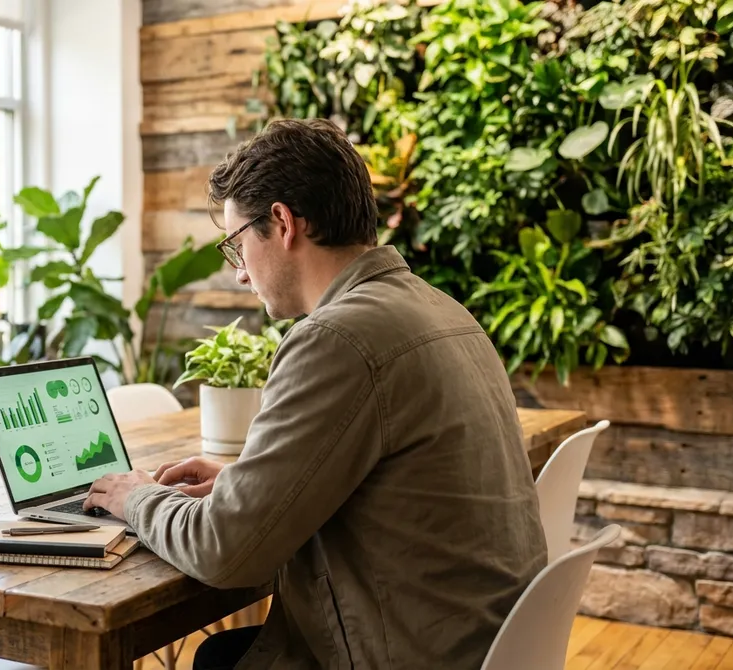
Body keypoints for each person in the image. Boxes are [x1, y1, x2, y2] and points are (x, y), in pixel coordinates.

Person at [84, 118, 547, 670]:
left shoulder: (337, 339)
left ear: (281, 223)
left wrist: (136, 497)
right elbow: (389, 488)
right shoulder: (443, 310)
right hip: (477, 645)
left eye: (236, 246)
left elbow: (224, 553)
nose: (238, 274)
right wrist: (241, 486)